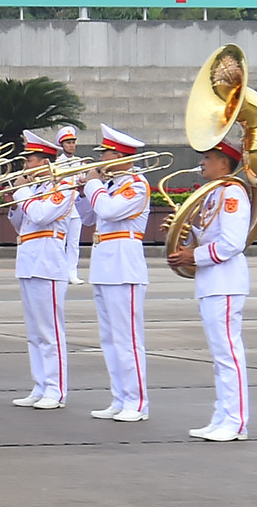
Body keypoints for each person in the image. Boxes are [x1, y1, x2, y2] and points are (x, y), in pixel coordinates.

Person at [167, 138, 254, 441]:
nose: (202, 162)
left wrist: (193, 255)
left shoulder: (233, 193)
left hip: (225, 281)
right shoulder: (212, 194)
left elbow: (232, 243)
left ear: (224, 163)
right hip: (211, 282)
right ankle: (223, 415)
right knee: (220, 355)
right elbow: (206, 237)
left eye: (208, 157)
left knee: (228, 353)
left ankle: (236, 421)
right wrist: (183, 238)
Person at [80, 125, 153, 423]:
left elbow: (109, 211)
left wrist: (92, 185)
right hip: (104, 266)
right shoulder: (108, 185)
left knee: (128, 340)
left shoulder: (136, 185)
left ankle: (137, 402)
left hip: (124, 267)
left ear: (122, 156)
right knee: (110, 339)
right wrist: (82, 190)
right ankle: (120, 397)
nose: (101, 159)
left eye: (106, 154)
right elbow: (88, 217)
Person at [10, 131, 75, 410]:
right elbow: (20, 224)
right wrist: (16, 199)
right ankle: (40, 385)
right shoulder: (35, 190)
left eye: (32, 160)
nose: (27, 166)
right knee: (34, 332)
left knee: (50, 332)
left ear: (46, 161)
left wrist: (21, 191)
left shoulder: (64, 185)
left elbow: (39, 216)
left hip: (48, 264)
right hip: (29, 261)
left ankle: (56, 389)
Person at [57, 124, 85, 284]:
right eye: (68, 142)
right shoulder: (56, 163)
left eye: (73, 142)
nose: (71, 145)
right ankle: (61, 272)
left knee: (74, 243)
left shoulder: (80, 162)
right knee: (60, 241)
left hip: (76, 207)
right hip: (61, 207)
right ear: (62, 145)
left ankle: (72, 273)